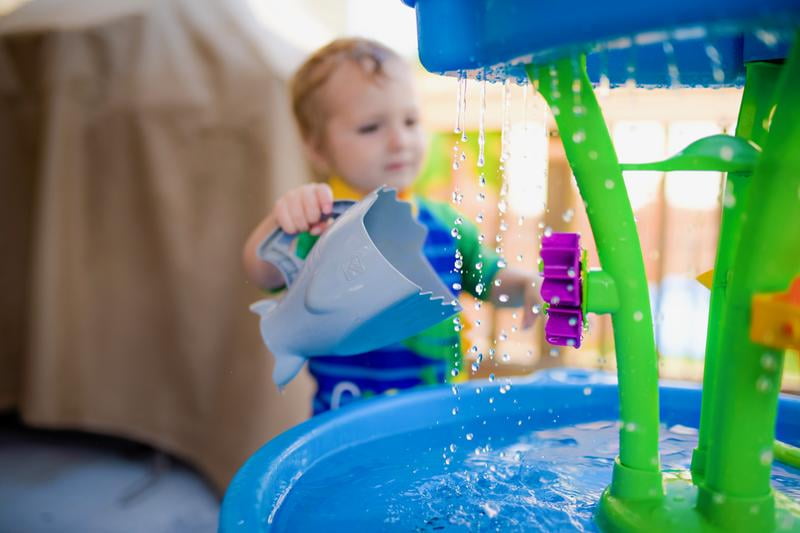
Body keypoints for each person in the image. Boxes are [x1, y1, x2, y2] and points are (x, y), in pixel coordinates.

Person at [243, 37, 540, 415]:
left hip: (436, 423)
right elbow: (262, 271)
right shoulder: (320, 226)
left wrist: (528, 286)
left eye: (411, 121)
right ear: (317, 148)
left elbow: (491, 280)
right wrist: (282, 220)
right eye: (370, 128)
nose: (399, 140)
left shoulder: (445, 226)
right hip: (344, 424)